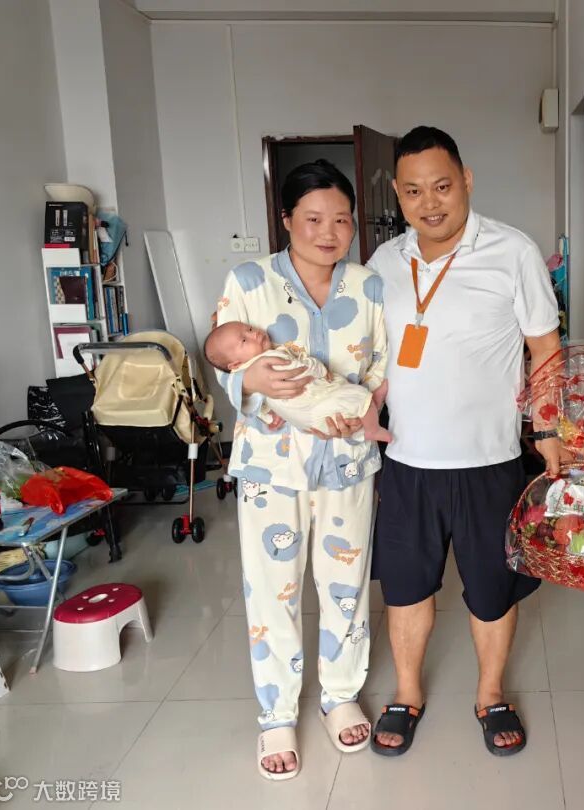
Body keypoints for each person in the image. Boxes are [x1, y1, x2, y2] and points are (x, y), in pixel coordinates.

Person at [366, 126, 563, 757]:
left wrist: (549, 429)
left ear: (467, 181)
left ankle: (490, 693)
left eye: (442, 186)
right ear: (398, 195)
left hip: (489, 461)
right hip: (406, 460)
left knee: (491, 589)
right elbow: (367, 353)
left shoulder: (513, 251)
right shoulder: (382, 263)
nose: (430, 202)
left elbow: (545, 347)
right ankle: (406, 694)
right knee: (406, 588)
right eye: (413, 191)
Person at [213, 159, 386, 780]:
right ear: (285, 219)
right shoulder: (248, 281)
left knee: (346, 583)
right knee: (272, 589)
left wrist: (365, 410)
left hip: (347, 459)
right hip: (271, 466)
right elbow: (224, 361)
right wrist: (249, 380)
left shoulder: (368, 285)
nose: (329, 232)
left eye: (341, 219)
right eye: (313, 219)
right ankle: (277, 713)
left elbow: (383, 365)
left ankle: (340, 694)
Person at [204, 320, 392, 442]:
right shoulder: (267, 361)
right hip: (315, 405)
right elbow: (302, 369)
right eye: (244, 341)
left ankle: (370, 411)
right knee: (356, 396)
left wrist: (272, 416)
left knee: (349, 409)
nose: (254, 334)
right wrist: (320, 368)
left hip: (308, 418)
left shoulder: (255, 373)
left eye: (250, 329)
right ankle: (373, 428)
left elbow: (263, 405)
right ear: (235, 364)